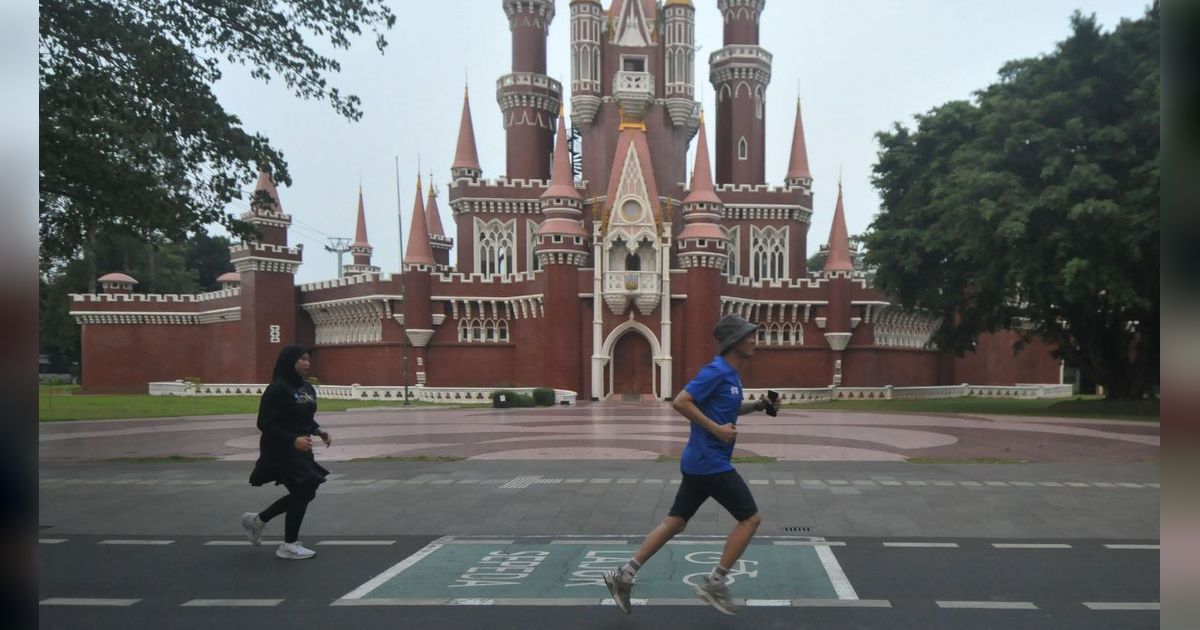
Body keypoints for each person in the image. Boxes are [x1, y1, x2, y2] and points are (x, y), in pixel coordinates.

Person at [603, 314, 778, 615]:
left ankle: (624, 576)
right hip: (710, 463)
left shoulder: (732, 375)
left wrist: (760, 405)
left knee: (676, 522)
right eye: (750, 335)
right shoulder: (716, 371)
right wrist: (716, 430)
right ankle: (715, 582)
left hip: (700, 461)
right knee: (750, 519)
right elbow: (681, 401)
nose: (754, 340)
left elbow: (730, 408)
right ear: (734, 341)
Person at [240, 344, 332, 559]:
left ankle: (257, 521)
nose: (307, 363)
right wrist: (292, 440)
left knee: (306, 491)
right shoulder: (277, 389)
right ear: (290, 361)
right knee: (304, 489)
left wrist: (318, 430)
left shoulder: (306, 388)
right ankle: (288, 545)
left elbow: (304, 417)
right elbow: (264, 423)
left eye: (308, 359)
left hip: (302, 448)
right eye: (302, 359)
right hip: (280, 450)